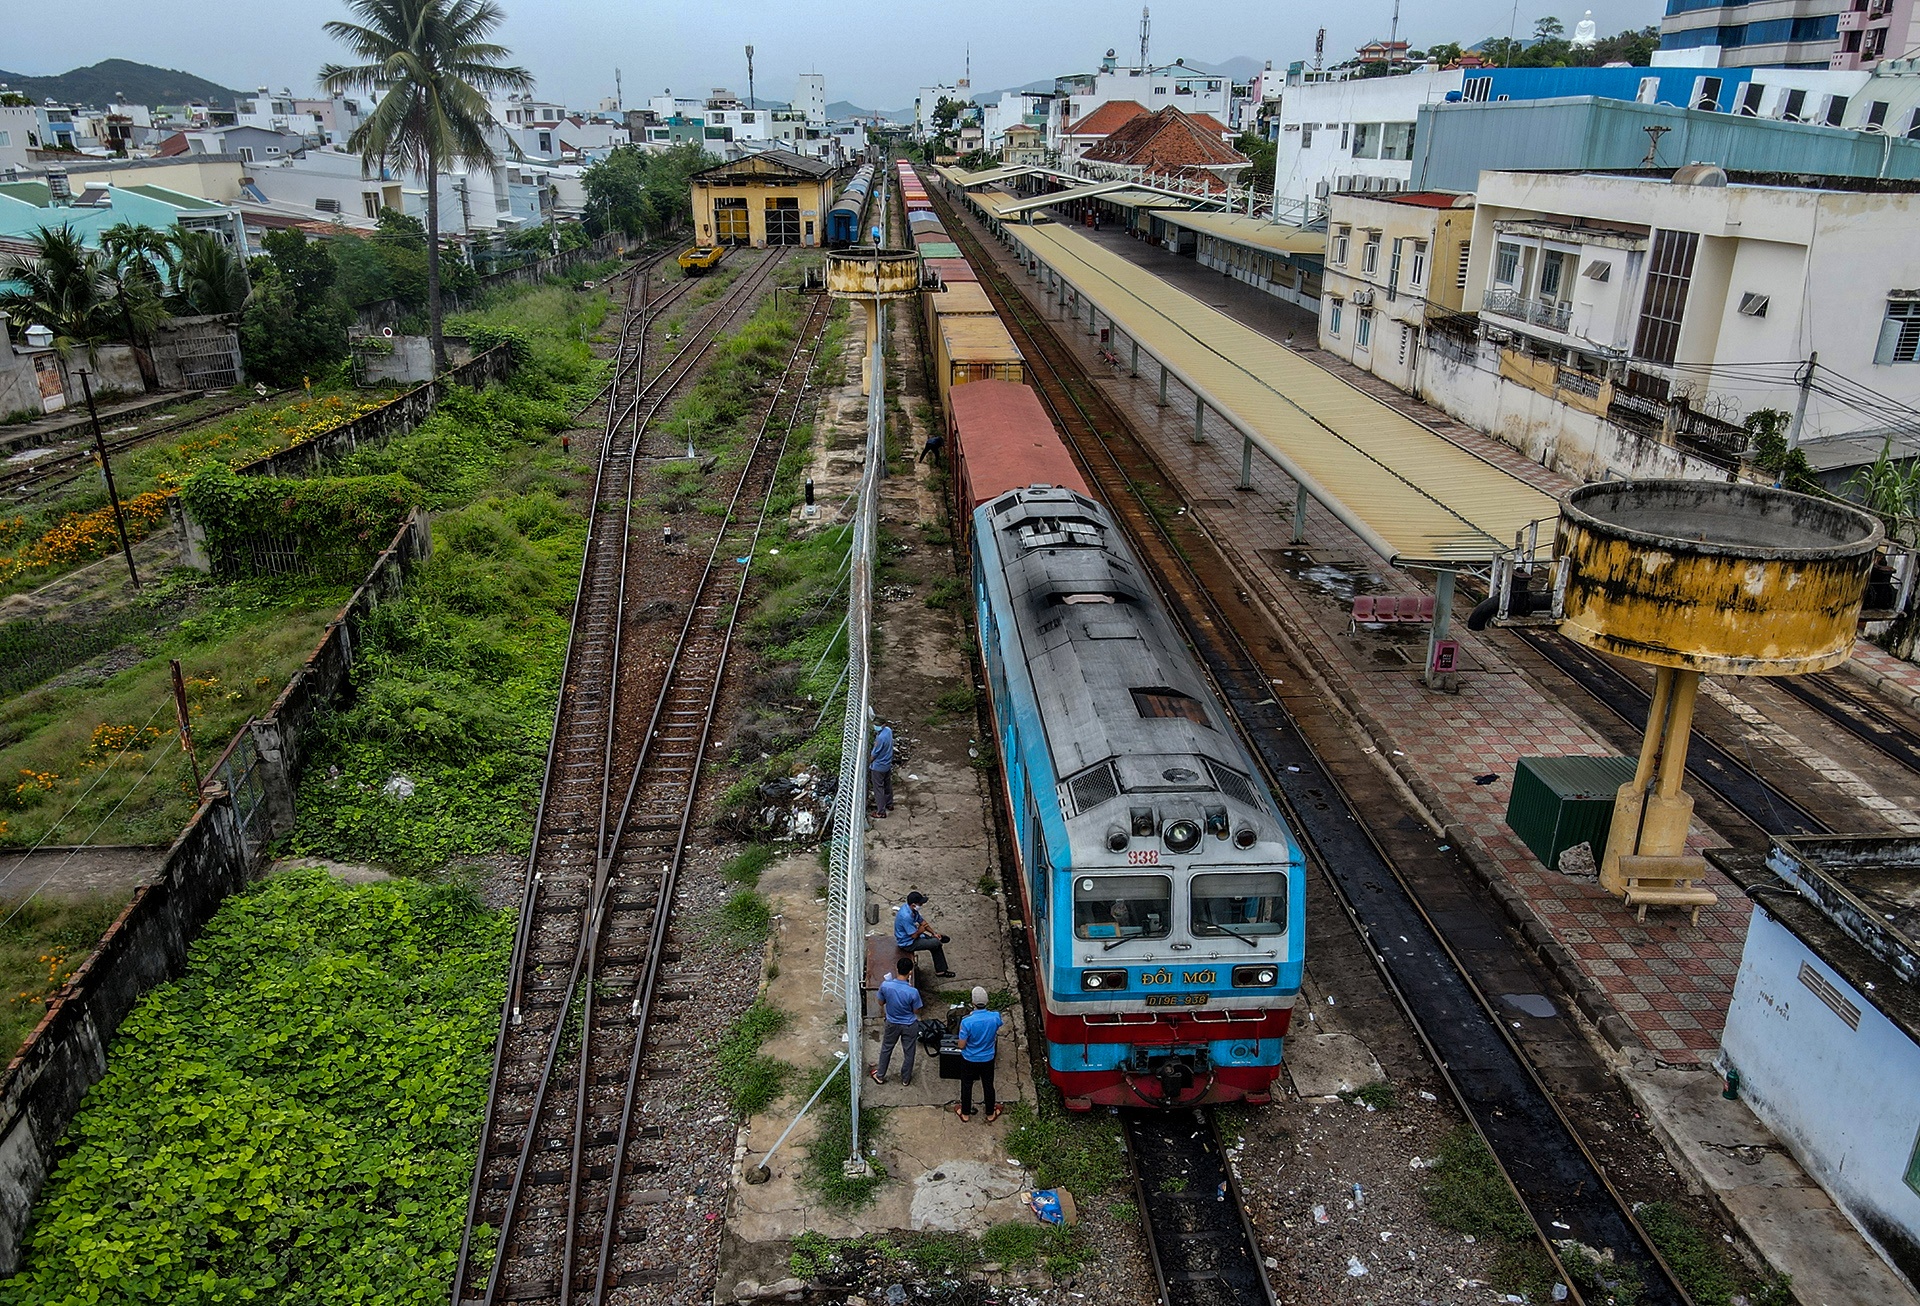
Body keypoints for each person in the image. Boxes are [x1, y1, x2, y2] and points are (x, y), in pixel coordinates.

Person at [955, 986, 1004, 1123]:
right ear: (987, 1001)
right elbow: (998, 1024)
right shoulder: (995, 1017)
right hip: (988, 1058)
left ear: (973, 1003)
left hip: (969, 1058)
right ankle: (990, 1113)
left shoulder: (966, 1022)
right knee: (988, 1085)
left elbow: (961, 1045)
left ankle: (965, 1113)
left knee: (967, 1084)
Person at [872, 957, 923, 1086]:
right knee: (909, 1052)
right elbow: (916, 1010)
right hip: (909, 1024)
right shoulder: (913, 992)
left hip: (892, 1023)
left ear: (897, 969)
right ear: (910, 972)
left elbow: (880, 1002)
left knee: (886, 1049)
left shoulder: (886, 985)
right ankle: (905, 1079)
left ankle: (880, 1075)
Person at [894, 891, 954, 977]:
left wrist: (934, 933)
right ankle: (941, 969)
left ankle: (941, 970)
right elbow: (914, 935)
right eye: (920, 904)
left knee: (935, 944)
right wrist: (920, 930)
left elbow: (922, 922)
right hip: (908, 943)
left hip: (915, 935)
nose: (921, 905)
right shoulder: (906, 917)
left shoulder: (911, 910)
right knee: (936, 943)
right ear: (914, 904)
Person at [869, 721, 895, 817]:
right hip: (887, 764)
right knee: (887, 785)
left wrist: (868, 761)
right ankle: (890, 804)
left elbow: (874, 755)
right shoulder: (888, 731)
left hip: (878, 767)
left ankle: (881, 812)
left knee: (878, 788)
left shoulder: (880, 739)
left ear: (883, 724)